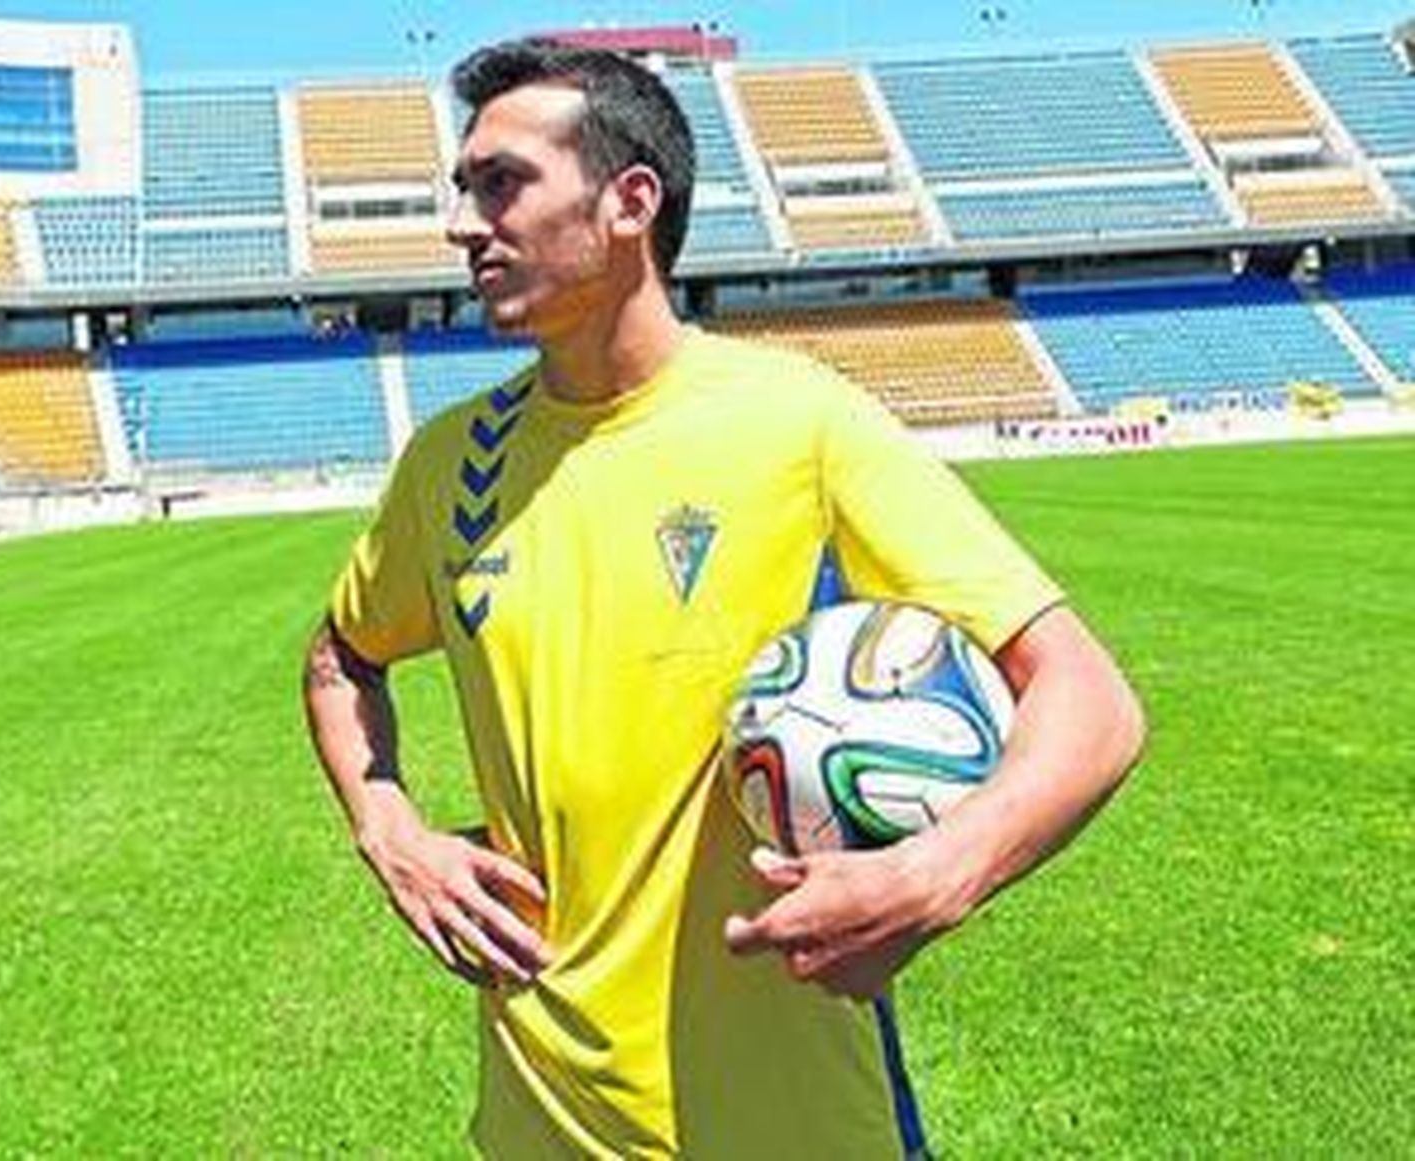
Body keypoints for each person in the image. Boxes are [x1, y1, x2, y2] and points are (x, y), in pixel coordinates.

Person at [303, 39, 1145, 1159]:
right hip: (536, 1124)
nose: (463, 225)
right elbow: (338, 658)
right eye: (463, 190)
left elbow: (1090, 700)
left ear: (627, 203)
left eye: (500, 183)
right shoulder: (446, 465)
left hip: (792, 1122)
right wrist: (390, 829)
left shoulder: (799, 423)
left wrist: (934, 872)